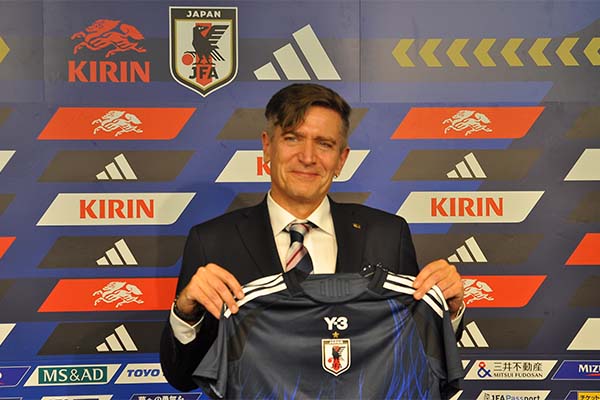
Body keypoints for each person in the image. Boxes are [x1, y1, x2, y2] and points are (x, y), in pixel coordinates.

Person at [160, 83, 465, 392]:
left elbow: (417, 354)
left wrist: (446, 312)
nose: (307, 157)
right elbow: (182, 377)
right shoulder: (212, 241)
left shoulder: (387, 235)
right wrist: (187, 313)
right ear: (267, 146)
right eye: (293, 138)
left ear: (341, 159)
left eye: (324, 144)